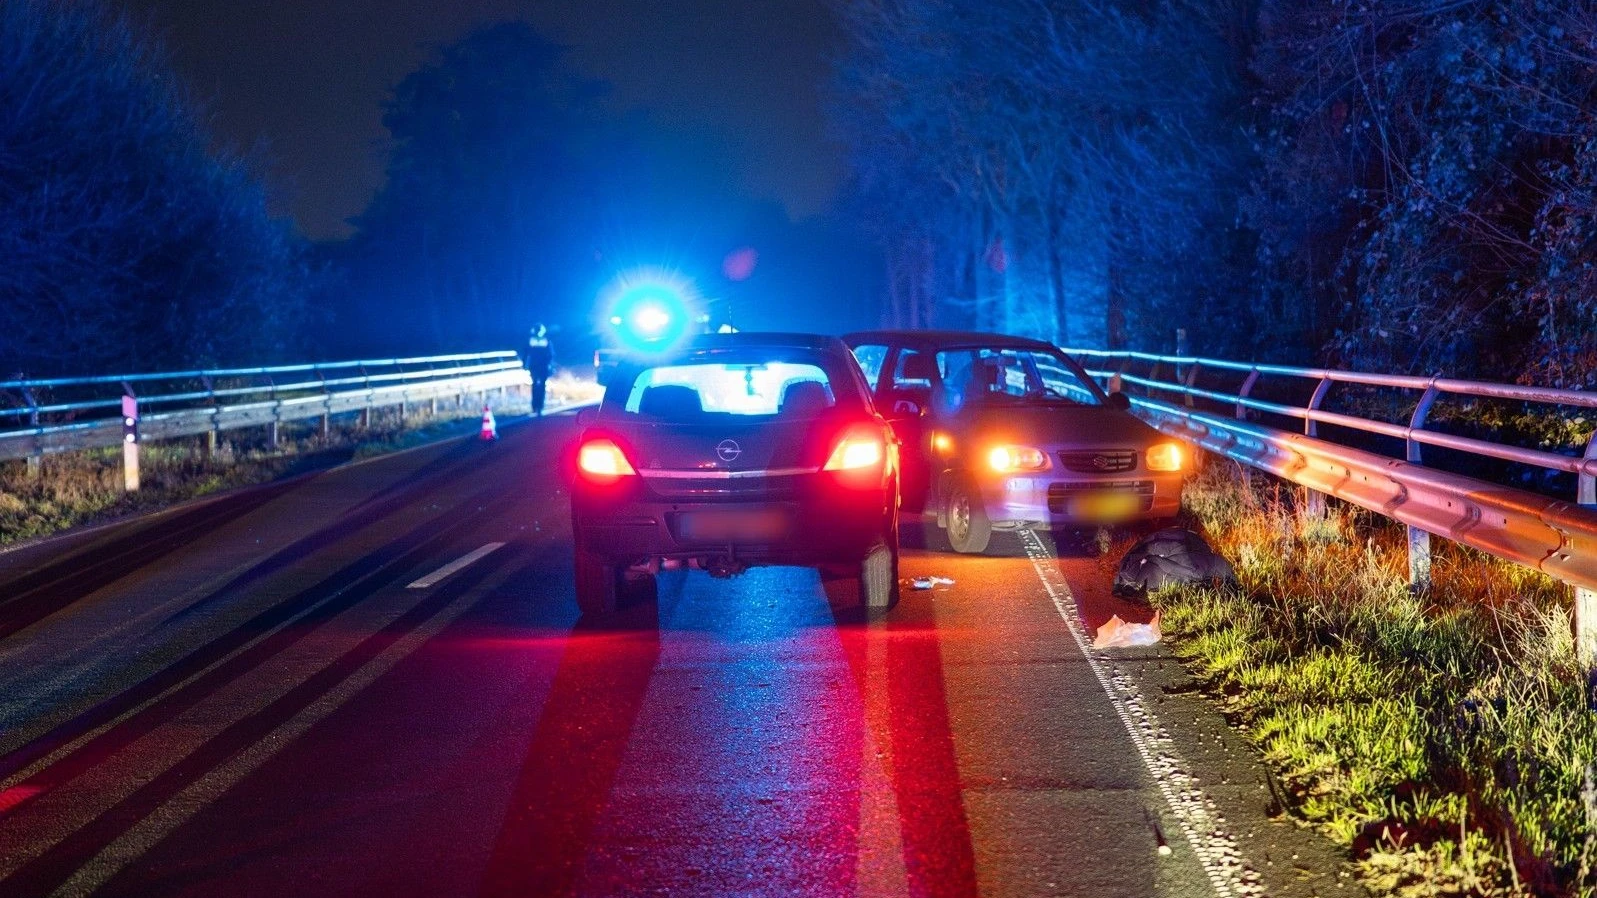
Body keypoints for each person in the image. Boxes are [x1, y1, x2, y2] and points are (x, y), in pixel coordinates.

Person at [526, 324, 553, 416]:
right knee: (542, 386)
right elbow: (551, 354)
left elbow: (526, 353)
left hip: (534, 366)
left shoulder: (531, 340)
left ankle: (534, 406)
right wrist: (550, 365)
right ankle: (540, 406)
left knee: (534, 386)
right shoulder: (546, 340)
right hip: (543, 367)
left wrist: (525, 365)